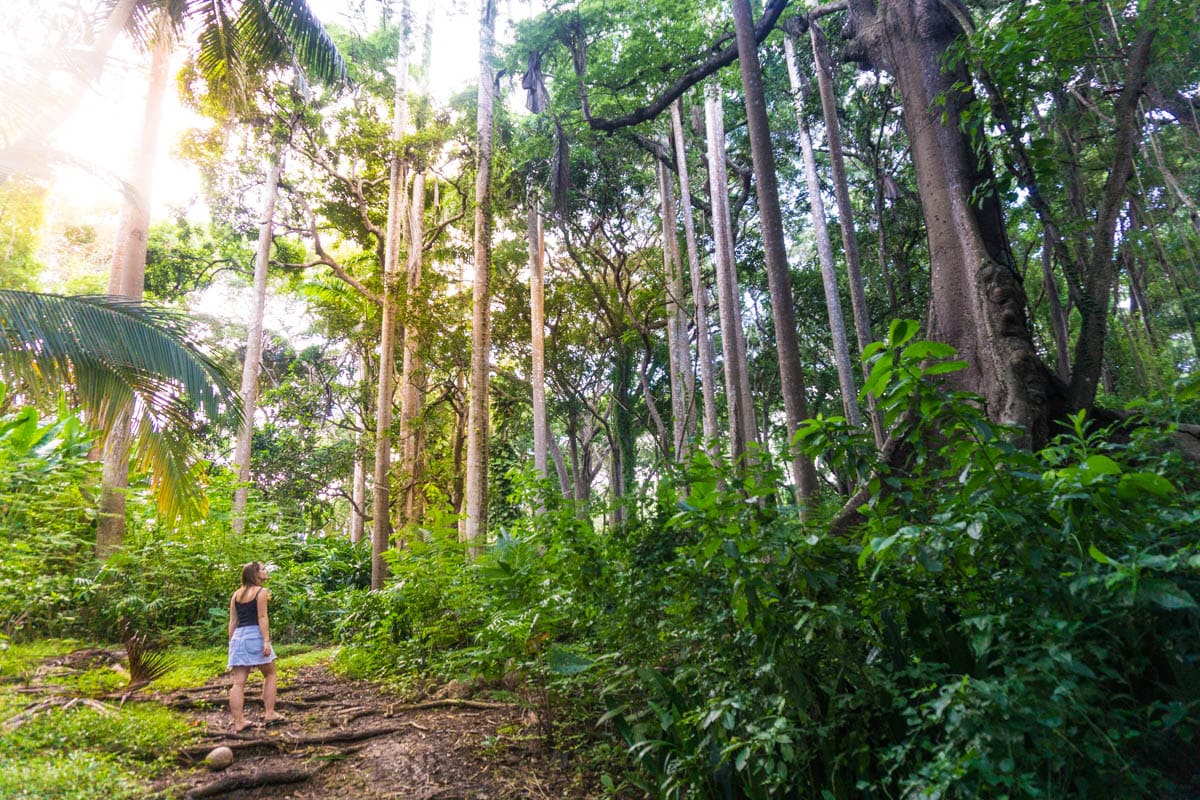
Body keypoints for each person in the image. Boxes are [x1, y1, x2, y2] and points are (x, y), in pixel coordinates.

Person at [227, 561, 285, 732]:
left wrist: (231, 643)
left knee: (238, 683)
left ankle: (238, 722)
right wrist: (266, 641)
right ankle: (270, 712)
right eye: (263, 569)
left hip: (238, 637)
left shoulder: (236, 595)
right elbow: (262, 617)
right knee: (270, 674)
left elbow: (233, 621)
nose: (266, 571)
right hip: (254, 636)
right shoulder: (261, 592)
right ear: (255, 574)